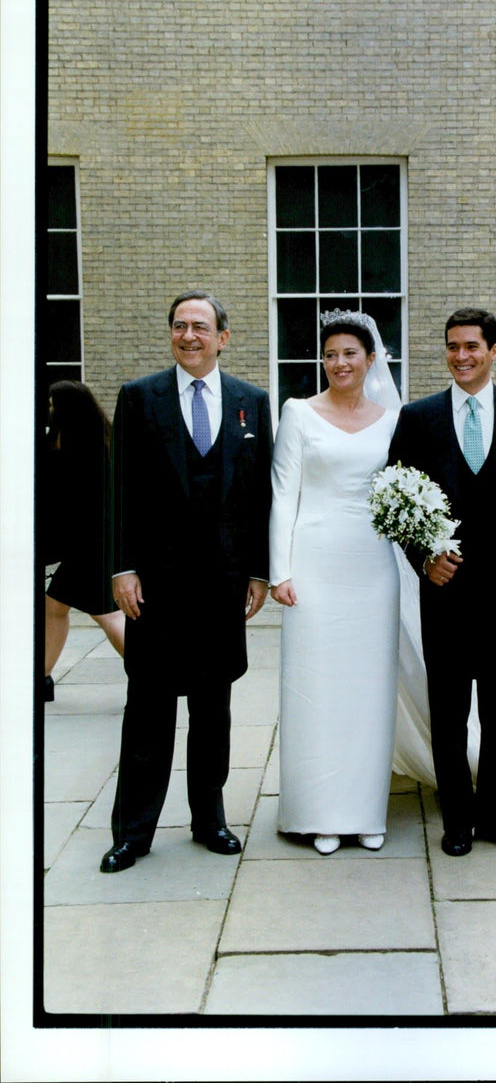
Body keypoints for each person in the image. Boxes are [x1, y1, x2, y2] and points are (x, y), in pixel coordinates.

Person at [100, 290, 273, 873]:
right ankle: (134, 831)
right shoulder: (139, 398)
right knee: (148, 710)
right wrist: (121, 567)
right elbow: (119, 490)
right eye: (179, 326)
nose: (189, 336)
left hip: (223, 587)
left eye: (200, 326)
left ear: (222, 337)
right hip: (155, 587)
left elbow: (257, 499)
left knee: (213, 710)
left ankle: (210, 819)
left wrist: (258, 570)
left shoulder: (253, 403)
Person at [388, 307, 496, 857]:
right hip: (446, 591)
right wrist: (422, 558)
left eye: (472, 346)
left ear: (494, 351)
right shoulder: (418, 418)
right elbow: (394, 500)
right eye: (453, 346)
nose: (461, 356)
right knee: (449, 710)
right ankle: (457, 820)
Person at [269, 310, 401, 855]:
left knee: (369, 690)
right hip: (315, 564)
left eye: (350, 353)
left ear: (370, 360)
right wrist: (280, 570)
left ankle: (366, 811)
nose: (339, 363)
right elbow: (283, 492)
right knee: (317, 690)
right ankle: (320, 811)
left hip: (373, 567)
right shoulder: (298, 413)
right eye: (330, 354)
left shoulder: (393, 418)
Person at [43, 380, 125, 702]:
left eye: (53, 404)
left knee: (108, 615)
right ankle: (44, 677)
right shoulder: (101, 438)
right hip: (97, 543)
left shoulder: (71, 446)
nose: (49, 410)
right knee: (56, 606)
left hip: (89, 547)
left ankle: (152, 678)